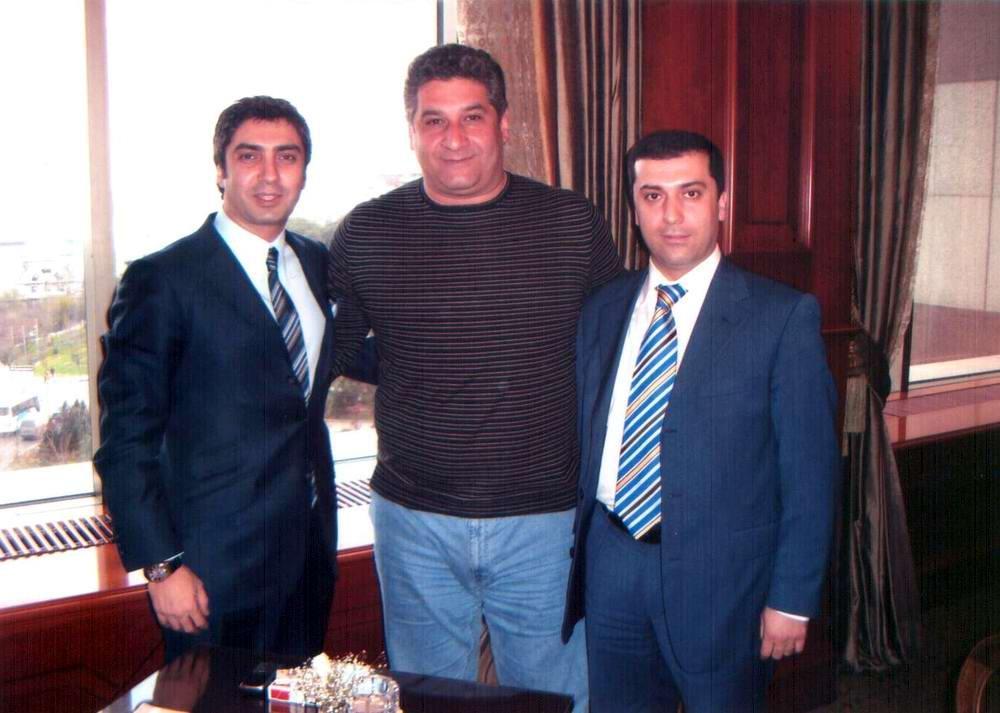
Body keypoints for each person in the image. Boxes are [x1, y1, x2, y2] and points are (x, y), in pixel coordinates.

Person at [329, 44, 622, 710]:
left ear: (504, 123)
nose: (453, 139)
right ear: (411, 129)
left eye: (472, 117)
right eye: (433, 120)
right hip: (414, 523)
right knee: (431, 700)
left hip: (545, 522)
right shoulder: (367, 231)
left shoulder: (571, 223)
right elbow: (333, 352)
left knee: (555, 700)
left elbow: (611, 347)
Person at [563, 130, 840, 712]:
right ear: (633, 208)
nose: (671, 215)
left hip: (725, 579)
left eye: (690, 193)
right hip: (612, 562)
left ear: (721, 203)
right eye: (653, 195)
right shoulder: (602, 309)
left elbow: (810, 475)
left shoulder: (780, 316)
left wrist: (792, 598)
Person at [95, 96, 348, 662]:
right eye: (249, 156)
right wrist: (162, 567)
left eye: (287, 156)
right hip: (211, 569)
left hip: (308, 554)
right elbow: (126, 440)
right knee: (209, 700)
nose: (269, 174)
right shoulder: (162, 279)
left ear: (304, 171)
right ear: (220, 170)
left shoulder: (315, 262)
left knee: (296, 698)